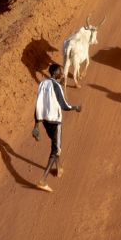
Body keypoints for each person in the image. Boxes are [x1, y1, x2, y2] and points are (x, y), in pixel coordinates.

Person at [31, 62, 83, 192]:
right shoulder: (56, 86)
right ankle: (43, 180)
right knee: (56, 149)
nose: (62, 73)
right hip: (55, 121)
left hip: (45, 121)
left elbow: (38, 104)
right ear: (55, 73)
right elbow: (64, 105)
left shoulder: (42, 84)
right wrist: (75, 107)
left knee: (55, 144)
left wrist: (36, 125)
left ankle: (59, 168)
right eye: (60, 71)